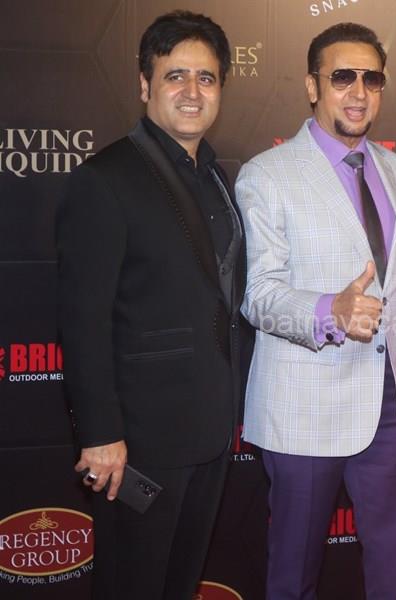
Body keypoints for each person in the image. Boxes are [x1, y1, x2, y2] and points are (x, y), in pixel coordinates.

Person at [56, 11, 246, 600]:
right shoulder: (105, 178)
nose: (192, 91)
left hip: (210, 433)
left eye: (206, 78)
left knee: (179, 585)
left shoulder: (216, 177)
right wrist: (100, 434)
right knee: (132, 585)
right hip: (138, 444)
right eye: (175, 76)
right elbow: (82, 321)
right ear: (145, 84)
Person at [235, 22, 396, 599]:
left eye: (372, 78)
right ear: (312, 86)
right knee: (293, 577)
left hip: (392, 401)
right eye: (342, 76)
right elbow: (258, 294)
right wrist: (329, 311)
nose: (358, 91)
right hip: (304, 405)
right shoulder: (267, 174)